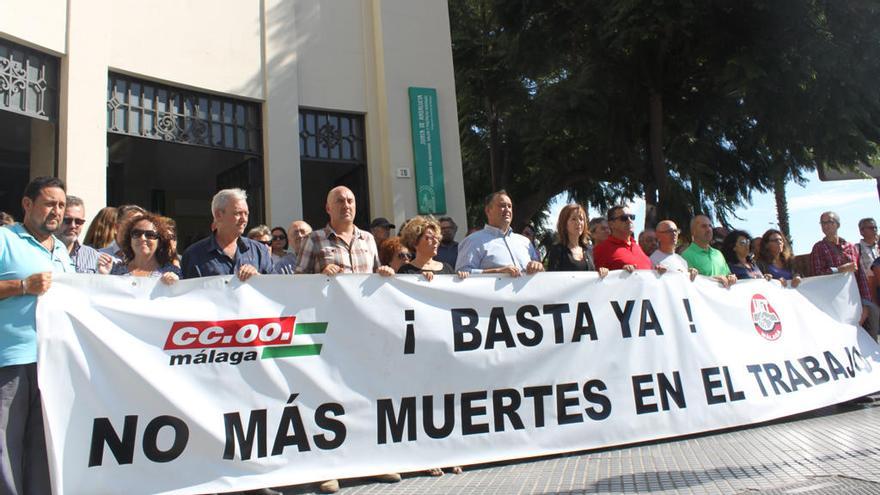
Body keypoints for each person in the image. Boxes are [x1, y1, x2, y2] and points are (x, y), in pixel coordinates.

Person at [0, 176, 75, 495]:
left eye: (60, 205)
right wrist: (21, 287)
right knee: (6, 449)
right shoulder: (4, 239)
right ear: (27, 204)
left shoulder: (62, 251)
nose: (56, 211)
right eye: (49, 203)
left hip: (52, 364)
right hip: (11, 362)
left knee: (44, 448)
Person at [296, 186, 393, 278]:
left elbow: (376, 273)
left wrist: (385, 272)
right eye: (340, 201)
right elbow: (299, 281)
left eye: (350, 201)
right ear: (328, 208)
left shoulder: (368, 238)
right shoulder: (313, 239)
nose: (346, 206)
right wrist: (322, 276)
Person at [181, 189, 273, 281]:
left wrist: (258, 278)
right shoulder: (194, 255)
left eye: (246, 214)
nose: (244, 219)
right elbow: (188, 293)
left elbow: (274, 289)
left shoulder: (260, 252)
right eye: (238, 213)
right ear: (218, 215)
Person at [455, 190, 543, 276]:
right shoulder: (473, 241)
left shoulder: (525, 242)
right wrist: (497, 272)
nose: (507, 210)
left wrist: (538, 267)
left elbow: (541, 274)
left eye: (509, 206)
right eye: (502, 205)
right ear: (488, 210)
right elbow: (462, 274)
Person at [811, 211, 872, 333]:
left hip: (856, 302)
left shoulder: (850, 247)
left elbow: (861, 277)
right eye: (822, 223)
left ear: (837, 225)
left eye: (829, 222)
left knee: (868, 339)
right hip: (834, 306)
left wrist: (866, 304)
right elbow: (816, 276)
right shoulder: (819, 248)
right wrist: (839, 270)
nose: (825, 225)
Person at [98, 212, 181, 284]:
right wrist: (104, 277)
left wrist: (176, 285)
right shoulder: (115, 270)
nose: (142, 238)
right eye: (136, 233)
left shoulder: (172, 272)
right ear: (129, 239)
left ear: (160, 241)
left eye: (150, 234)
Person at [397, 216, 469, 281]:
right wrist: (420, 280)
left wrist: (461, 278)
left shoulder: (447, 268)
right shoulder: (405, 271)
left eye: (437, 238)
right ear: (415, 242)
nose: (436, 242)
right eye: (429, 238)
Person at [546, 204, 608, 277]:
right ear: (564, 224)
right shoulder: (557, 250)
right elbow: (551, 279)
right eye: (573, 219)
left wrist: (602, 271)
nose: (578, 222)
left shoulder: (589, 249)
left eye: (581, 219)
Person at [54, 195, 107, 273]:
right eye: (67, 220)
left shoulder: (94, 256)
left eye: (78, 221)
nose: (73, 226)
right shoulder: (42, 253)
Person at [681, 215, 737, 287]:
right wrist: (713, 280)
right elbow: (688, 283)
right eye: (704, 226)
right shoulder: (686, 255)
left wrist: (731, 278)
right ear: (693, 231)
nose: (709, 229)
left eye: (710, 226)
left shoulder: (718, 254)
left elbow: (728, 275)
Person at [592, 205, 653, 272]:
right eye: (624, 218)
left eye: (632, 217)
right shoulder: (601, 249)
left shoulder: (637, 246)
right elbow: (594, 277)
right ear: (611, 224)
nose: (629, 221)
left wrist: (657, 271)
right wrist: (621, 273)